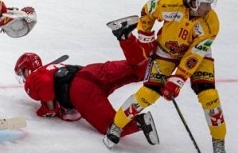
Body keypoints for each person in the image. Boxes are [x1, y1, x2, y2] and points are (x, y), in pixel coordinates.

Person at [103, 0, 228, 153]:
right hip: (165, 51)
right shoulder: (170, 4)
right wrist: (146, 38)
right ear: (193, 2)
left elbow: (194, 54)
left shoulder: (211, 23)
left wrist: (177, 80)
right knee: (149, 93)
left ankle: (218, 139)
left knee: (209, 95)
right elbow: (147, 10)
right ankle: (116, 126)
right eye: (205, 4)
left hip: (198, 56)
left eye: (210, 4)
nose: (209, 8)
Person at [14, 20, 159, 146]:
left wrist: (48, 109)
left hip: (82, 91)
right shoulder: (50, 68)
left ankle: (140, 122)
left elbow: (45, 85)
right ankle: (152, 57)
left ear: (27, 69)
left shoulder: (34, 77)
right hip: (91, 71)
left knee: (110, 127)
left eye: (22, 73)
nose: (24, 78)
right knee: (135, 69)